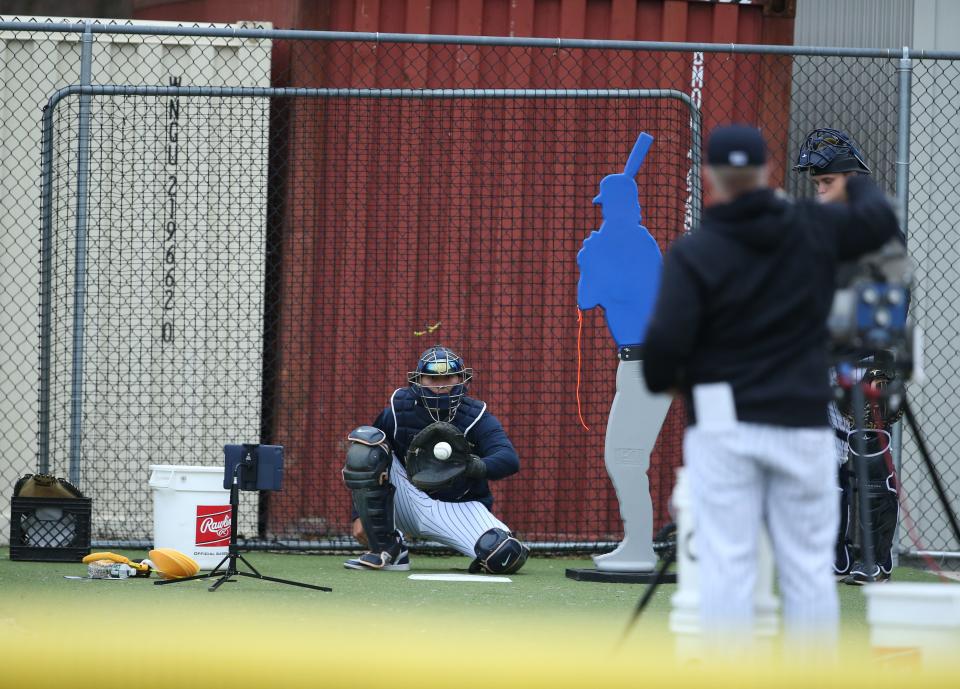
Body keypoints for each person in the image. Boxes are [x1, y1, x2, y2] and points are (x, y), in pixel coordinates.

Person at [642, 125, 899, 652]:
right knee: (808, 571)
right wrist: (853, 178)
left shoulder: (695, 253)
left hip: (722, 427)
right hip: (800, 421)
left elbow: (659, 364)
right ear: (765, 173)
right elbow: (878, 220)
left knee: (729, 566)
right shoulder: (811, 228)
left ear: (711, 177)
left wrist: (685, 377)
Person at [793, 127, 903, 586]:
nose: (819, 191)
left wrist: (879, 354)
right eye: (816, 184)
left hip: (862, 357)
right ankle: (832, 556)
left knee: (866, 455)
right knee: (823, 459)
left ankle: (874, 559)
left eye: (826, 182)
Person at [341, 344, 529, 574]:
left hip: (456, 507)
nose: (440, 385)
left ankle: (487, 548)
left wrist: (470, 466)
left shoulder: (476, 416)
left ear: (462, 379)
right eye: (432, 378)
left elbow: (509, 459)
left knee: (504, 555)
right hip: (405, 498)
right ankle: (389, 548)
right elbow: (366, 460)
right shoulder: (399, 410)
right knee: (367, 444)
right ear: (419, 381)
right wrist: (360, 514)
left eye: (449, 377)